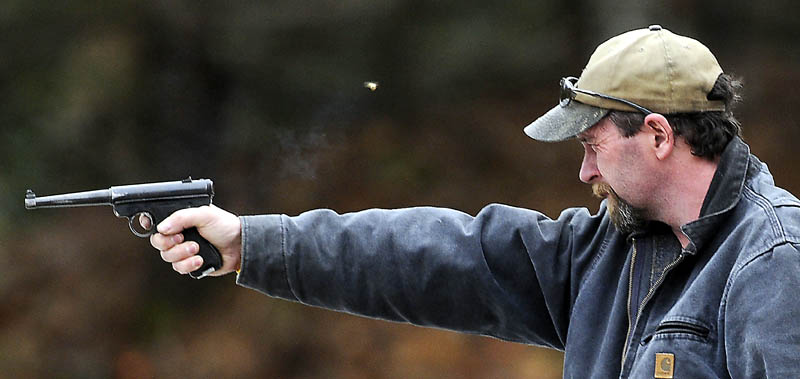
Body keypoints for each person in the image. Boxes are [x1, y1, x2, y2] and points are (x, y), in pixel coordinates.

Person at [148, 25, 800, 377]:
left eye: (594, 145)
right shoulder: (612, 250)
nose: (583, 171)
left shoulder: (772, 264)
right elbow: (439, 257)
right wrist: (252, 243)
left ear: (657, 135)